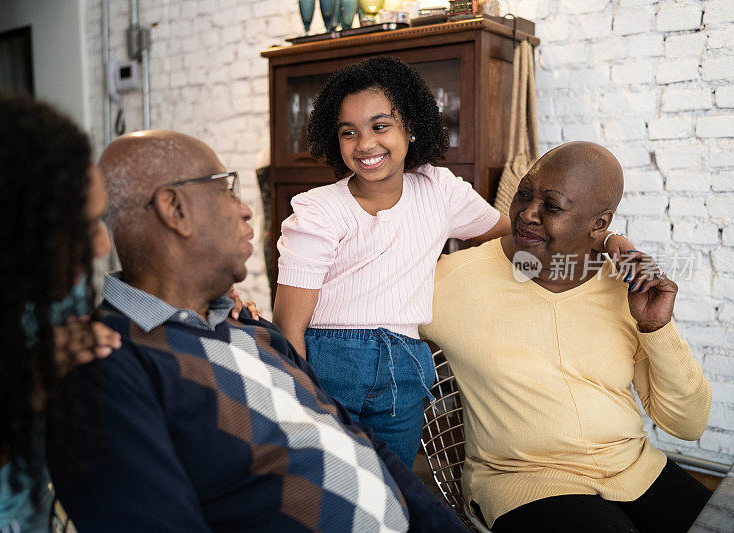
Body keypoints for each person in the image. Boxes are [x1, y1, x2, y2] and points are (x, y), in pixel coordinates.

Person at [45, 129, 466, 532]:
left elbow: (357, 440)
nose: (246, 208)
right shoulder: (106, 363)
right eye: (226, 188)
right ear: (175, 209)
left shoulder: (247, 324)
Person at [272, 56, 642, 468]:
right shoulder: (318, 211)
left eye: (380, 126)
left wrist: (608, 240)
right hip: (331, 361)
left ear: (409, 128)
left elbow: (519, 234)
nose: (365, 144)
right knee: (329, 481)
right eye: (348, 132)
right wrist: (301, 397)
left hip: (407, 366)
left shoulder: (439, 190)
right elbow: (289, 326)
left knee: (396, 487)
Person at [419, 141, 713, 532]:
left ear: (598, 225)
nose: (527, 214)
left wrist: (655, 328)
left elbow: (688, 425)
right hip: (522, 481)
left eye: (551, 207)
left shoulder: (627, 291)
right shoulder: (452, 280)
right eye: (524, 194)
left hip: (632, 467)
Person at [0, 92, 121, 533]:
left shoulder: (58, 293)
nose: (101, 246)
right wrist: (31, 391)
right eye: (78, 227)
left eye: (100, 221)